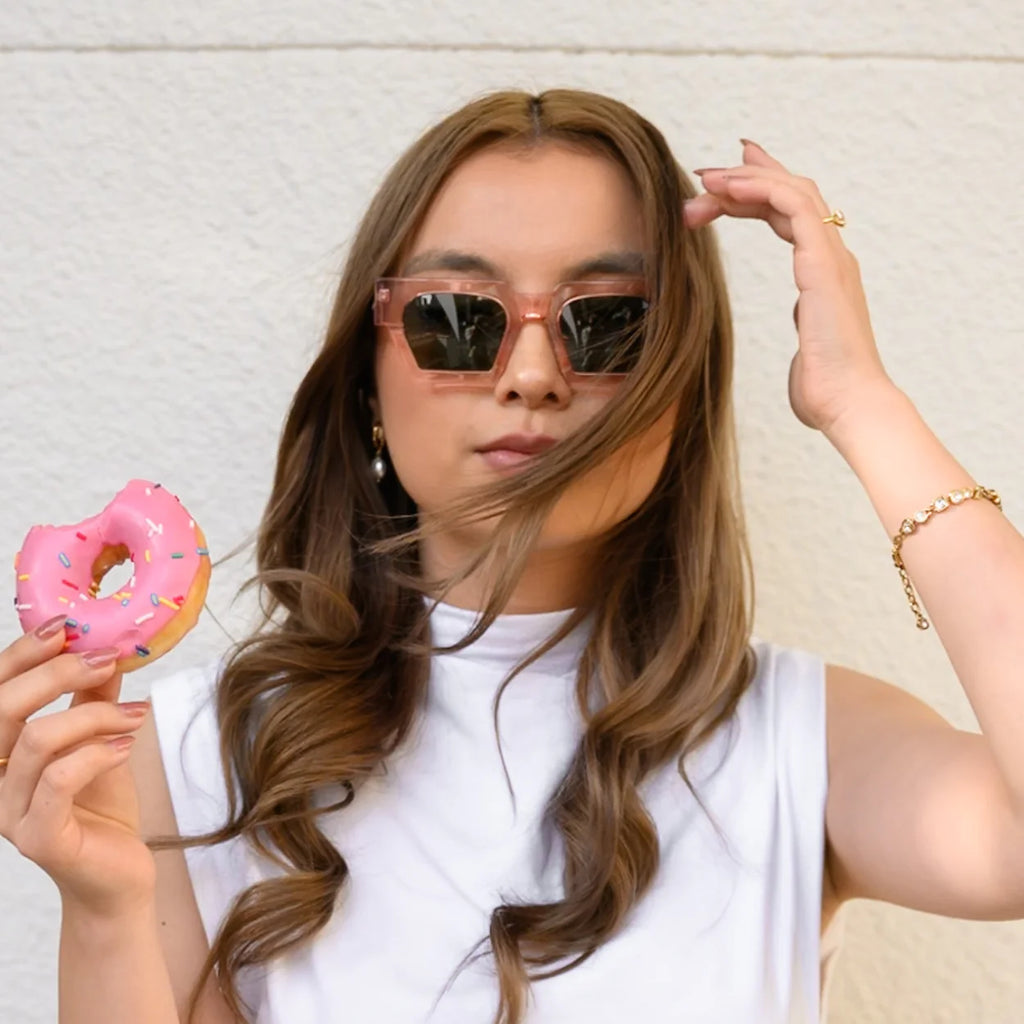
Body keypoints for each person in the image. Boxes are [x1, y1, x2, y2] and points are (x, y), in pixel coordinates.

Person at [1, 88, 1022, 1024]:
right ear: (367, 378)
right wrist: (102, 909)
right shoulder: (191, 755)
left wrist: (861, 402)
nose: (532, 374)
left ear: (680, 384)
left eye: (609, 324)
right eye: (458, 319)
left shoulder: (808, 741)